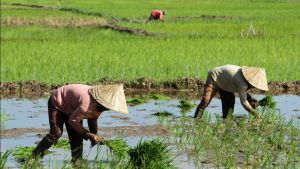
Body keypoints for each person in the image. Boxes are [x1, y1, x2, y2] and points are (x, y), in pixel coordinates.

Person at [32, 84, 129, 162]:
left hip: (73, 108)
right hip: (58, 102)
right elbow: (73, 121)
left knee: (77, 136)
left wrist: (95, 136)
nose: (108, 109)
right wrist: (88, 134)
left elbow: (93, 119)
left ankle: (77, 160)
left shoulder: (100, 106)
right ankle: (34, 157)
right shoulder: (86, 105)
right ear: (102, 102)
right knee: (56, 133)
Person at [194, 65, 268, 120]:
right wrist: (256, 114)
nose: (254, 86)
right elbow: (244, 102)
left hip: (226, 83)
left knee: (229, 102)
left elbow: (242, 92)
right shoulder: (241, 82)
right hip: (214, 77)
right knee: (205, 102)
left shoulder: (243, 79)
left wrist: (251, 99)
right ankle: (196, 119)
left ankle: (226, 120)